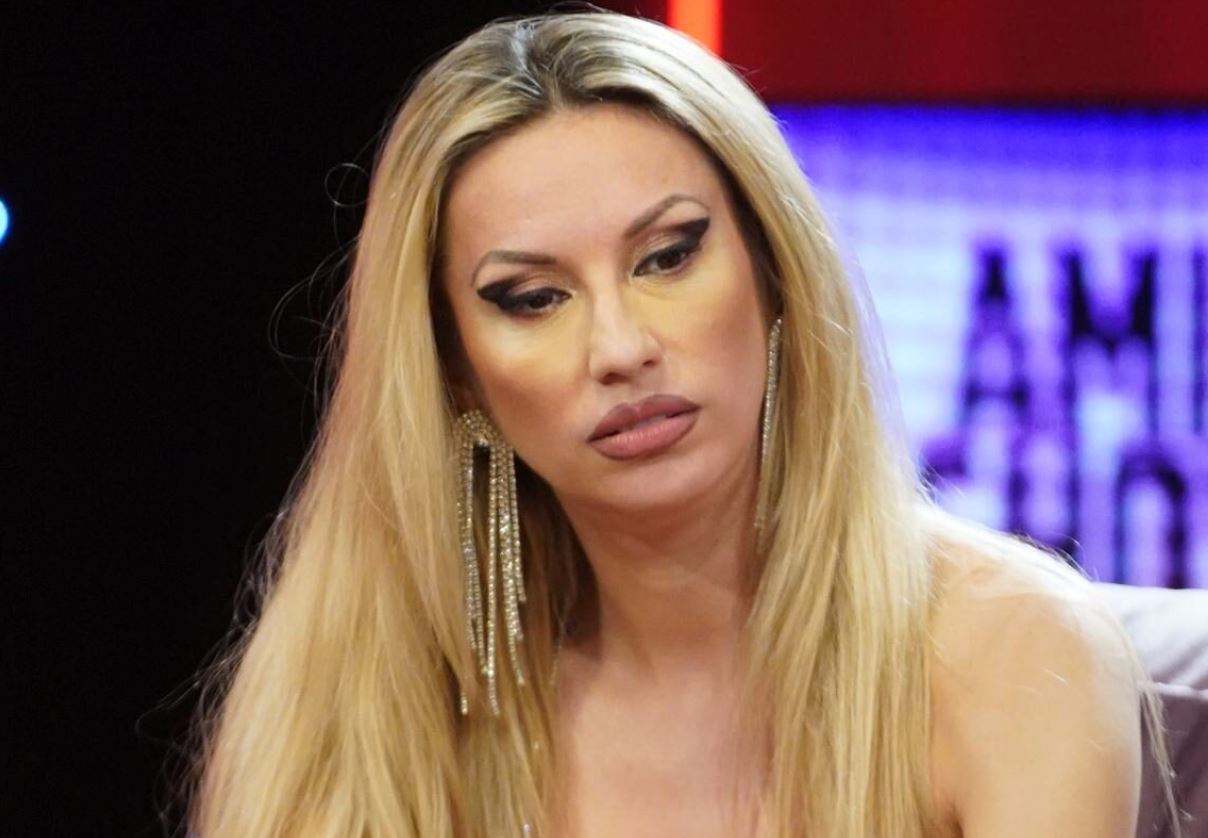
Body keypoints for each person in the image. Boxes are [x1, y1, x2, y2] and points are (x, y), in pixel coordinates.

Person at [185, 9, 1180, 837]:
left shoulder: (1010, 656)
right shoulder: (346, 717)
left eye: (666, 256)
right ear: (456, 374)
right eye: (532, 298)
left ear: (773, 271)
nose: (618, 347)